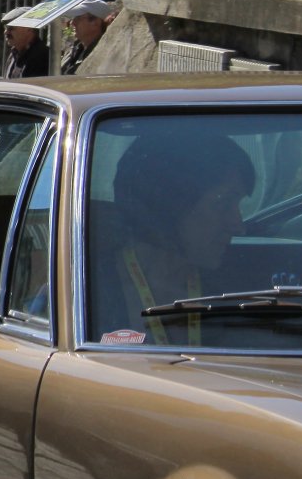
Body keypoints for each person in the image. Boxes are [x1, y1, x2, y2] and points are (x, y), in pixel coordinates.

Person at [90, 129, 255, 345]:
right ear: (169, 205)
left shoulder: (238, 291)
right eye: (223, 204)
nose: (239, 226)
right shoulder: (87, 293)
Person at [60, 0, 113, 75]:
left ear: (96, 22)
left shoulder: (104, 54)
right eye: (73, 18)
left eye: (78, 18)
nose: (72, 23)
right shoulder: (74, 49)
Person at [1, 6, 49, 79]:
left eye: (11, 28)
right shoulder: (14, 54)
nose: (6, 32)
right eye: (5, 28)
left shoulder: (41, 57)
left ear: (29, 28)